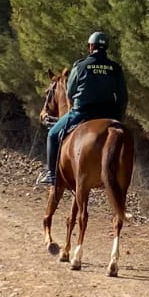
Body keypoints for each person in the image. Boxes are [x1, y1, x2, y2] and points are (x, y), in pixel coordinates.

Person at [37, 30, 128, 186]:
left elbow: (70, 92)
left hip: (82, 112)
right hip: (109, 114)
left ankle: (52, 174)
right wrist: (117, 117)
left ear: (91, 46)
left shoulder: (80, 65)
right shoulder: (115, 68)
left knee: (52, 134)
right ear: (106, 47)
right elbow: (122, 97)